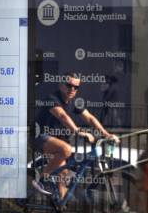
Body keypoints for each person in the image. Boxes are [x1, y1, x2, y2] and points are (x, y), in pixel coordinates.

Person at [34, 73, 120, 206]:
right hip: (40, 137)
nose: (72, 89)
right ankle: (40, 180)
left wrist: (106, 135)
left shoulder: (74, 101)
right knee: (66, 149)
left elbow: (90, 118)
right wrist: (79, 131)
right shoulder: (52, 98)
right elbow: (62, 116)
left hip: (57, 140)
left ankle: (62, 209)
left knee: (62, 174)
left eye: (76, 87)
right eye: (69, 85)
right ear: (61, 85)